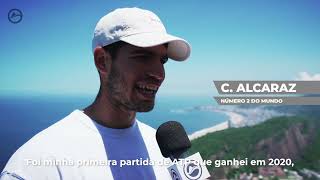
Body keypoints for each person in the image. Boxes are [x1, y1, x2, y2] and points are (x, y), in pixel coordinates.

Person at [1, 7, 190, 180]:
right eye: (142, 57)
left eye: (163, 61)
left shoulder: (164, 148)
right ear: (102, 61)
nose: (159, 74)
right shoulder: (37, 164)